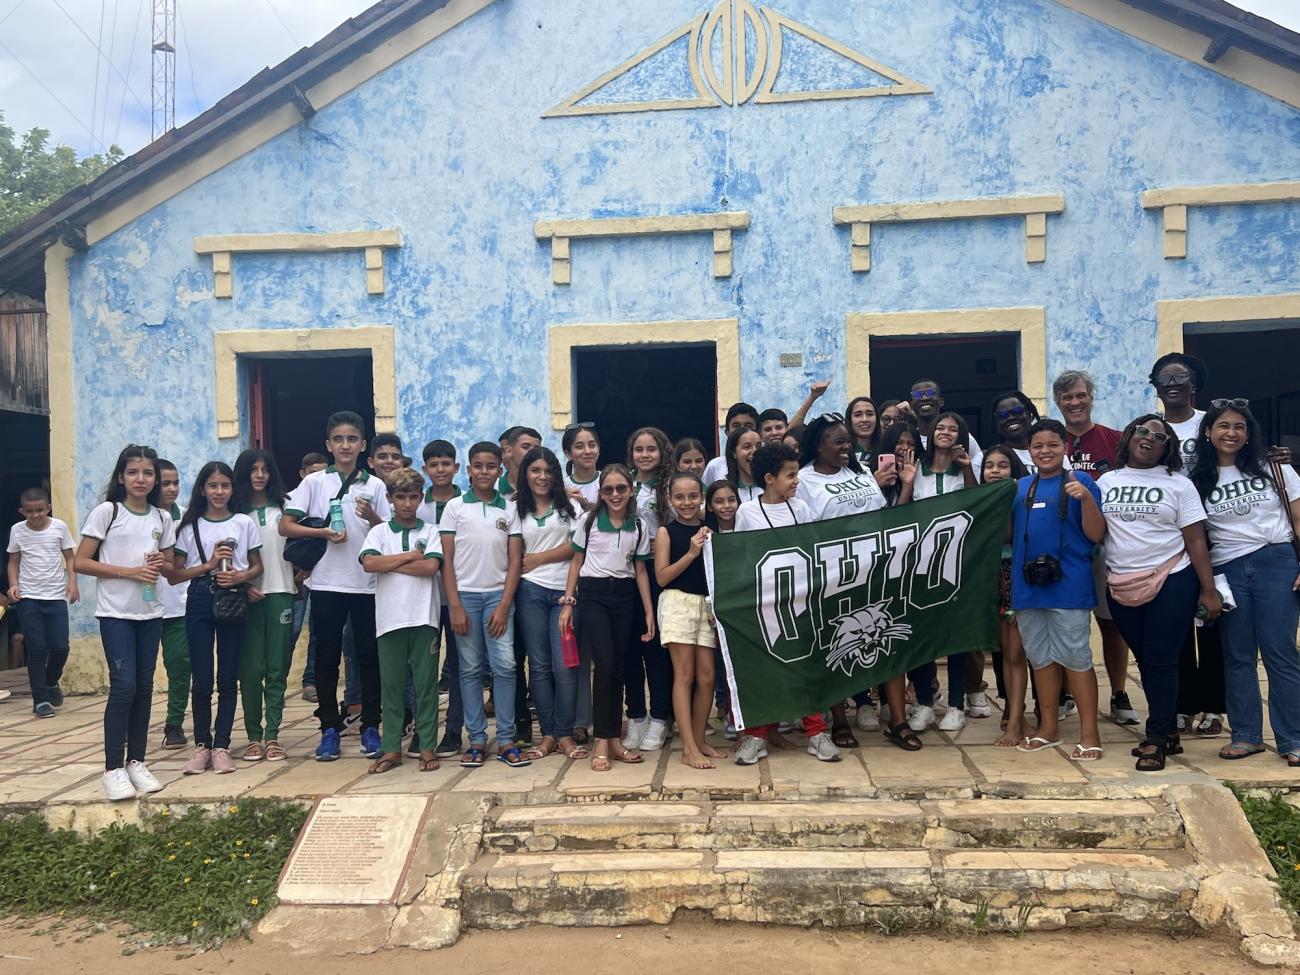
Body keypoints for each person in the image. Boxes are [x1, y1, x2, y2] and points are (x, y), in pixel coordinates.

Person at [1099, 415, 1220, 772]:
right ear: (1129, 437)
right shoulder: (1107, 481)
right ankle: (1168, 730)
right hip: (1122, 582)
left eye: (1159, 436)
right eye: (1143, 431)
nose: (1149, 439)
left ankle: (1155, 737)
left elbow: (1196, 539)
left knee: (1161, 659)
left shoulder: (1179, 484)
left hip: (1173, 577)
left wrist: (1208, 590)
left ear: (1168, 448)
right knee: (1147, 659)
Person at [1188, 399, 1300, 766]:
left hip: (1276, 562)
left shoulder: (1275, 469)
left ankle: (1292, 738)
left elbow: (1298, 518)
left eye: (1239, 427)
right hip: (1228, 570)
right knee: (1237, 656)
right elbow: (1197, 536)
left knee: (1280, 653)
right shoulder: (1199, 480)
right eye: (1223, 426)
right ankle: (1246, 735)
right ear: (1208, 433)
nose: (1231, 433)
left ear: (1248, 433)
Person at [281, 411, 390, 762]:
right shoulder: (314, 484)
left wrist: (372, 517)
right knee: (326, 657)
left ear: (362, 445)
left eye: (352, 439)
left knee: (369, 657)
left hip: (366, 583)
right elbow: (286, 526)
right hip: (326, 582)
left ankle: (371, 725)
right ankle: (329, 727)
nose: (345, 445)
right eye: (339, 439)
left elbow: (388, 531)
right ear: (329, 445)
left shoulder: (374, 485)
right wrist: (322, 533)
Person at [74, 444, 176, 801]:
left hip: (150, 612)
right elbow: (81, 562)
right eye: (133, 472)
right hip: (116, 613)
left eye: (148, 473)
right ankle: (113, 768)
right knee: (123, 687)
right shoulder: (108, 512)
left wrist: (159, 564)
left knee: (144, 687)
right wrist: (130, 571)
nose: (141, 479)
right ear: (121, 477)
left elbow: (169, 566)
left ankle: (137, 761)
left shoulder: (162, 518)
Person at [733, 442, 841, 765]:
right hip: (763, 606)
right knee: (762, 671)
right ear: (769, 478)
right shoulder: (747, 512)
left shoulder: (803, 510)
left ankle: (817, 733)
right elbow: (741, 559)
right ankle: (756, 737)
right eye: (790, 475)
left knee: (805, 669)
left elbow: (815, 553)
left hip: (800, 605)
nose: (797, 481)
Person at [1010, 420, 1106, 761]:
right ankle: (1048, 728)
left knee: (1077, 659)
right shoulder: (1022, 486)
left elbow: (1096, 535)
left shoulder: (1080, 481)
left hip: (1069, 585)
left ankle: (1089, 733)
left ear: (1065, 447)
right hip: (1028, 587)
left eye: (1053, 444)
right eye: (1038, 446)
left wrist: (1086, 500)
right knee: (1041, 659)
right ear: (1030, 451)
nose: (1045, 451)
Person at [1053, 369, 1138, 727]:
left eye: (1080, 395)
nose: (1075, 402)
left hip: (1106, 545)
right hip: (1062, 547)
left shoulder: (1114, 440)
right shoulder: (1049, 442)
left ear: (1091, 397)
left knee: (1111, 623)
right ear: (1058, 403)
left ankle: (1118, 692)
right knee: (1061, 621)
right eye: (1068, 397)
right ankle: (1063, 693)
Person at [795, 413, 886, 744]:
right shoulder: (804, 480)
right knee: (836, 643)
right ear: (819, 446)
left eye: (848, 441)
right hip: (831, 575)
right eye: (839, 441)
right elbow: (801, 527)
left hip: (873, 570)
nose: (847, 446)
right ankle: (838, 718)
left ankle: (864, 701)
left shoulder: (859, 471)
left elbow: (881, 513)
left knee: (869, 638)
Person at [558, 465, 655, 772]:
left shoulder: (638, 525)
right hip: (594, 595)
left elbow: (640, 570)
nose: (615, 495)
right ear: (600, 493)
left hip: (625, 596)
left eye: (621, 489)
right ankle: (602, 738)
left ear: (631, 490)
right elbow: (576, 562)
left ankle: (614, 738)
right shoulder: (588, 522)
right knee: (605, 664)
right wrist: (568, 602)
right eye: (608, 489)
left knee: (620, 667)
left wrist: (649, 611)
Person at [1149, 353, 1224, 735]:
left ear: (1194, 384)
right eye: (1164, 378)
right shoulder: (1152, 428)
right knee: (1174, 624)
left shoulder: (1209, 423)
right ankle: (1181, 704)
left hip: (1212, 532)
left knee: (1211, 619)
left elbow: (1239, 452)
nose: (1172, 383)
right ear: (1156, 387)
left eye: (1181, 377)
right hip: (1167, 537)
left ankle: (1212, 706)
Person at [440, 441, 527, 769]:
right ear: (468, 469)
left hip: (497, 597)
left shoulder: (510, 508)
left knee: (505, 666)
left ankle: (505, 738)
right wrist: (455, 606)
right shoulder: (455, 508)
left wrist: (504, 605)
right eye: (478, 466)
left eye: (491, 466)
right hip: (464, 598)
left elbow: (515, 561)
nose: (484, 472)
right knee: (471, 668)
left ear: (499, 470)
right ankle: (476, 738)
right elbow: (446, 560)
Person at [172, 462, 263, 775]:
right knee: (201, 678)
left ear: (232, 489)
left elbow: (256, 566)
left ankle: (222, 745)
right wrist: (209, 564)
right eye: (213, 486)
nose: (219, 492)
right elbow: (175, 575)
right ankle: (202, 745)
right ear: (202, 490)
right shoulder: (188, 527)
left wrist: (239, 578)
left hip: (232, 598)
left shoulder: (242, 522)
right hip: (198, 598)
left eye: (225, 485)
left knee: (227, 675)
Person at [360, 467, 444, 774]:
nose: (407, 503)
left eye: (412, 497)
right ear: (390, 498)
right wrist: (411, 556)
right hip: (389, 620)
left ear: (421, 498)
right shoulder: (379, 532)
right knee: (391, 687)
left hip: (424, 617)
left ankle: (426, 747)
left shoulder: (430, 530)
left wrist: (391, 564)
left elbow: (431, 568)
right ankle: (391, 748)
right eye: (400, 497)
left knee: (426, 687)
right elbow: (369, 563)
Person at [897, 412, 976, 733]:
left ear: (961, 435)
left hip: (957, 564)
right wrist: (907, 483)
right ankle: (925, 702)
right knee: (920, 635)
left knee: (955, 637)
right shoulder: (918, 471)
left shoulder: (966, 469)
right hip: (919, 565)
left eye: (952, 428)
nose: (945, 432)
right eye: (940, 427)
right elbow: (900, 515)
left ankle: (956, 705)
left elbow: (976, 503)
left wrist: (969, 469)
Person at [510, 446, 583, 761]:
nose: (542, 477)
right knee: (538, 666)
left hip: (564, 594)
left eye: (548, 471)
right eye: (535, 470)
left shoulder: (570, 509)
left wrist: (540, 557)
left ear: (556, 474)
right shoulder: (515, 510)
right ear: (525, 474)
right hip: (530, 593)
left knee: (563, 664)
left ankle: (566, 733)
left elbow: (577, 548)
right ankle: (549, 735)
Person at [656, 472, 725, 769]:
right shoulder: (665, 532)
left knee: (707, 676)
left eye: (693, 496)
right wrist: (691, 552)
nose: (687, 503)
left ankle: (700, 739)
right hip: (677, 602)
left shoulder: (711, 530)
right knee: (684, 676)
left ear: (702, 498)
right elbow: (662, 576)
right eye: (680, 497)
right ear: (670, 500)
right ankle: (687, 747)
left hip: (706, 606)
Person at [232, 449, 295, 763]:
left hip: (281, 592)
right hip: (247, 597)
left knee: (277, 668)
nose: (259, 475)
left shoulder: (285, 507)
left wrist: (304, 570)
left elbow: (305, 543)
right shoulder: (234, 511)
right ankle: (253, 736)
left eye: (265, 469)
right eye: (253, 470)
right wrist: (243, 585)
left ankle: (273, 735)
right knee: (250, 669)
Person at [623, 426, 675, 752]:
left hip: (658, 575)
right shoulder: (623, 482)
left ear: (662, 452)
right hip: (624, 575)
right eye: (639, 449)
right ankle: (636, 716)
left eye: (651, 449)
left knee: (655, 649)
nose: (644, 455)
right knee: (629, 651)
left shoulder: (669, 486)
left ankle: (660, 717)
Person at [5, 486, 77, 717]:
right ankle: (40, 700)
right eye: (29, 511)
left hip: (55, 596)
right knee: (37, 647)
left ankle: (50, 680)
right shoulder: (17, 531)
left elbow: (70, 558)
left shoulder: (59, 528)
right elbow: (13, 561)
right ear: (21, 511)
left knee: (60, 647)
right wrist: (13, 584)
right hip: (29, 597)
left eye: (39, 510)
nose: (35, 515)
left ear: (48, 508)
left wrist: (73, 583)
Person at [418, 439, 467, 758]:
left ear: (456, 467)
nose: (440, 469)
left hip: (460, 596)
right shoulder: (414, 505)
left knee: (461, 666)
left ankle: (453, 730)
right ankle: (423, 731)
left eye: (446, 463)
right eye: (433, 464)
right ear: (425, 469)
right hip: (422, 597)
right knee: (423, 667)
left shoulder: (467, 504)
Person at [981, 446, 1031, 746]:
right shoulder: (981, 500)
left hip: (1016, 576)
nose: (995, 471)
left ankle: (1015, 719)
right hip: (991, 579)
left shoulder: (1021, 498)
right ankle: (1016, 714)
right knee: (1005, 654)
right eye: (989, 466)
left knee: (1016, 654)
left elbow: (1009, 535)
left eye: (1002, 465)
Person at [155, 460, 190, 748]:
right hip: (141, 607)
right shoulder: (142, 516)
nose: (172, 488)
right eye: (165, 483)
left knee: (180, 665)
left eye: (176, 482)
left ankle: (174, 723)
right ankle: (130, 724)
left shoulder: (188, 518)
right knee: (134, 674)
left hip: (179, 605)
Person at [290, 451, 329, 705]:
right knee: (291, 629)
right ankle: (276, 679)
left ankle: (310, 680)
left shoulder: (331, 497)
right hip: (297, 574)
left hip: (325, 574)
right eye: (313, 473)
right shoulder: (291, 500)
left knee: (318, 629)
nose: (318, 478)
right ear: (302, 474)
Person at [704, 479, 740, 736]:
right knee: (724, 663)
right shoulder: (704, 534)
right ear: (709, 506)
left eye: (731, 500)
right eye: (719, 501)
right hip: (718, 604)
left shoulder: (750, 526)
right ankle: (729, 713)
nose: (726, 506)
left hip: (746, 602)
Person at [908, 379, 983, 455]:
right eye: (917, 395)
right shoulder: (909, 439)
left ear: (941, 402)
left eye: (930, 393)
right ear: (911, 406)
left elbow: (978, 465)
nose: (924, 398)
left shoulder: (961, 436)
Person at [702, 403, 759, 484]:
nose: (742, 431)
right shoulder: (715, 466)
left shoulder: (767, 467)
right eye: (736, 426)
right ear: (727, 432)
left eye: (748, 426)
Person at [873, 418, 921, 509]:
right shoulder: (868, 472)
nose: (905, 447)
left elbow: (899, 517)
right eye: (899, 442)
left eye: (911, 444)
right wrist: (875, 486)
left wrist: (907, 485)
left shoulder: (920, 471)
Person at [992, 391, 1042, 472]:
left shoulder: (1051, 452)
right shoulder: (986, 458)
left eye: (1018, 411)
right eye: (1003, 415)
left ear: (1029, 414)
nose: (1011, 418)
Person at [562, 422, 601, 513]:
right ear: (568, 454)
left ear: (599, 449)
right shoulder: (563, 488)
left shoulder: (609, 481)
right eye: (579, 447)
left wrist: (587, 505)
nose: (587, 451)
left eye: (592, 445)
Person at [723, 426, 763, 502]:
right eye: (747, 447)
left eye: (758, 446)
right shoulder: (723, 485)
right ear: (734, 453)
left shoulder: (771, 484)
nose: (755, 451)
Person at [499, 427, 542, 496]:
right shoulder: (492, 488)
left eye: (537, 449)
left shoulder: (549, 488)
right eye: (525, 447)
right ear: (509, 451)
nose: (532, 452)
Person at [845, 396, 881, 469]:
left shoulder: (885, 450)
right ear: (849, 420)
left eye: (870, 414)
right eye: (858, 415)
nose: (864, 419)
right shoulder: (843, 452)